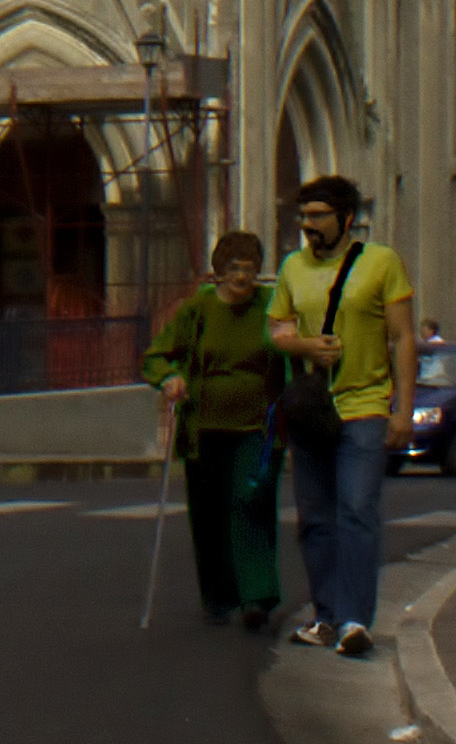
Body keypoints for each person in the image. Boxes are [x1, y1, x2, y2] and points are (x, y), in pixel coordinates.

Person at [267, 172, 423, 658]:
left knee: (357, 509)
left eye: (318, 217)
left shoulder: (381, 264)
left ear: (347, 219)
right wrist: (306, 343)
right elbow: (276, 330)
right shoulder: (293, 267)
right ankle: (326, 615)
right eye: (304, 217)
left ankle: (356, 619)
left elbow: (403, 339)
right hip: (315, 407)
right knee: (315, 517)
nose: (308, 226)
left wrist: (404, 411)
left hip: (365, 404)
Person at [146, 231, 288, 629]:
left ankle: (257, 594)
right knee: (209, 514)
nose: (242, 277)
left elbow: (289, 351)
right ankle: (218, 595)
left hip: (257, 426)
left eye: (250, 269)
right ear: (218, 272)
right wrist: (169, 378)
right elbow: (156, 356)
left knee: (252, 502)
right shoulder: (197, 311)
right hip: (204, 428)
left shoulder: (271, 308)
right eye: (234, 269)